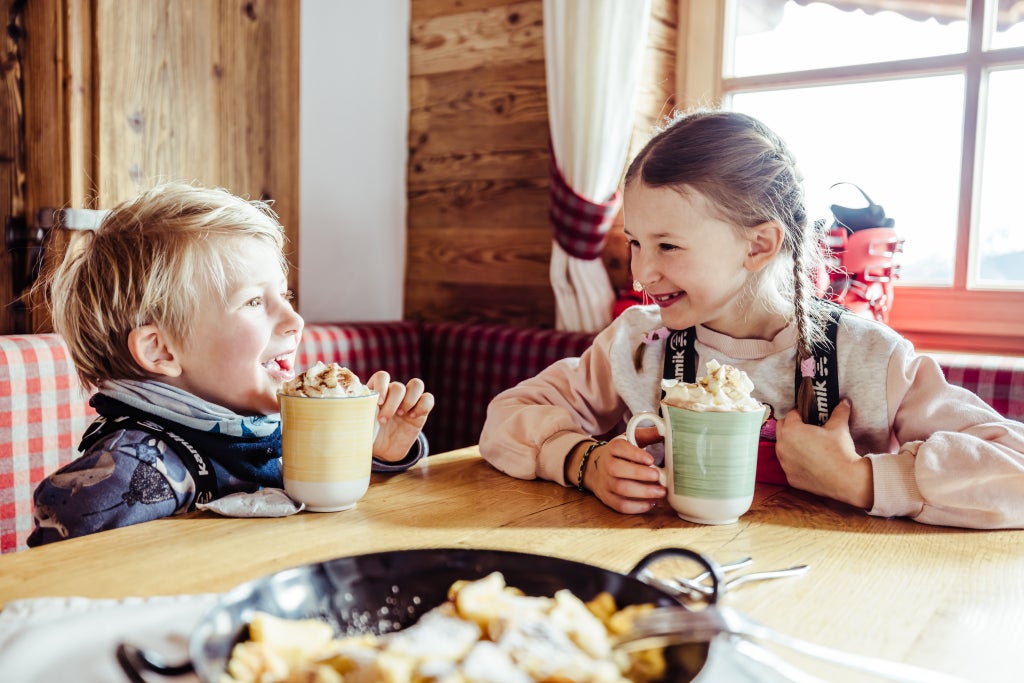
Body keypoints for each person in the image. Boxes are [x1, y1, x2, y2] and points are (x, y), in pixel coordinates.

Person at [479, 108, 1024, 530]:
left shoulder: (871, 360)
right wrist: (582, 460)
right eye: (636, 243)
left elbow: (1014, 470)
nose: (642, 272)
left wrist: (860, 478)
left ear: (759, 244)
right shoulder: (637, 344)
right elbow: (508, 416)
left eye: (668, 246)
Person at [27, 182, 434, 546]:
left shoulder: (258, 425)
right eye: (255, 302)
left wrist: (372, 454)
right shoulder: (133, 471)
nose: (295, 321)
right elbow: (59, 568)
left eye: (285, 296)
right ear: (161, 351)